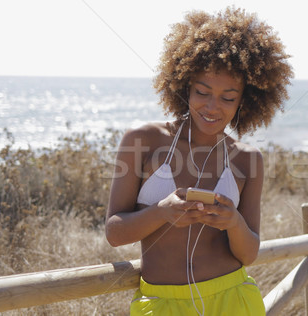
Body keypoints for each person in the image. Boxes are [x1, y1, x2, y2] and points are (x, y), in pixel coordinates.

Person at [105, 7, 293, 316]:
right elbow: (115, 233)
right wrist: (162, 212)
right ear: (184, 86)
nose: (212, 106)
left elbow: (248, 254)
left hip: (234, 298)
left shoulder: (249, 160)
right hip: (161, 303)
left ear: (246, 101)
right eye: (202, 92)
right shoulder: (143, 140)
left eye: (228, 98)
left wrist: (234, 223)